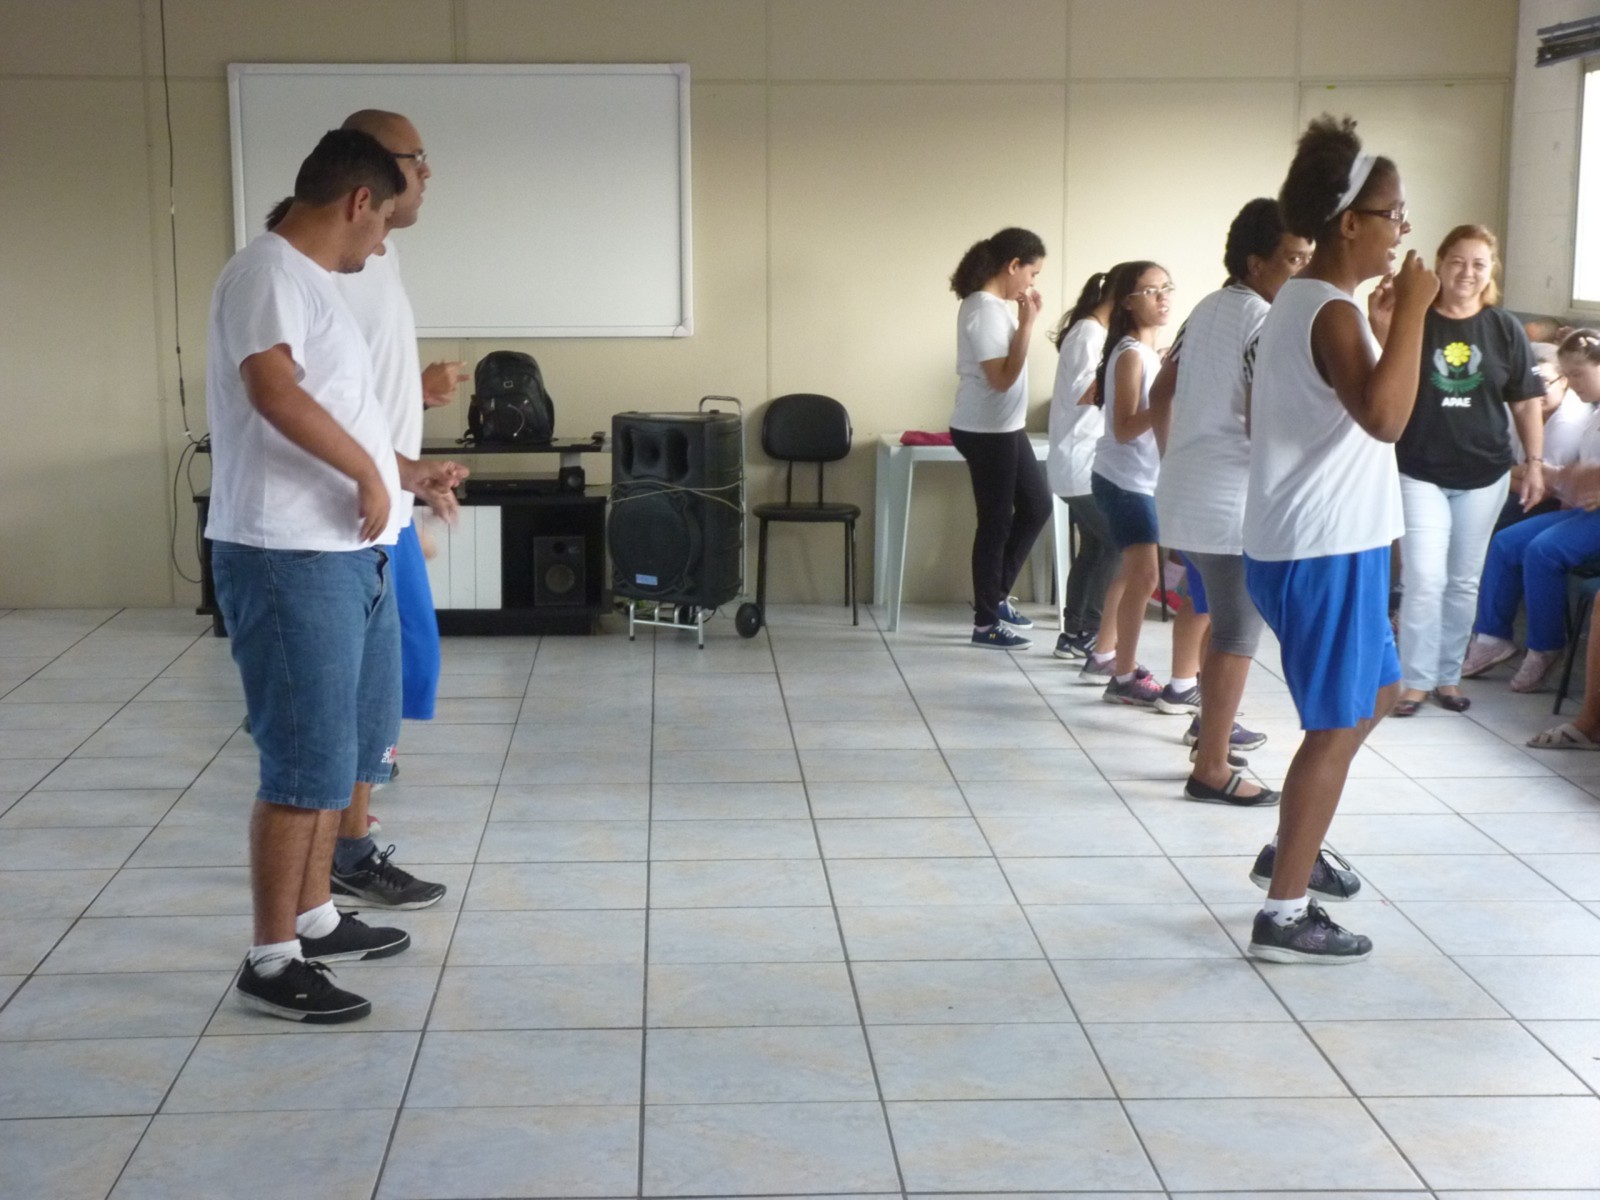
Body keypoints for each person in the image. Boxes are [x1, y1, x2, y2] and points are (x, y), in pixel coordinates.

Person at [207, 129, 465, 1022]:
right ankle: (271, 958)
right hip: (288, 554)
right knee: (304, 763)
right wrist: (365, 474)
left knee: (345, 751)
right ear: (358, 201)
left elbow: (343, 416)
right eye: (384, 220)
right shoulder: (267, 274)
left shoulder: (317, 285)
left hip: (351, 551)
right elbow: (272, 390)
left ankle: (315, 917)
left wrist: (403, 472)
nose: (384, 242)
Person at [1242, 114, 1437, 963]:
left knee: (1380, 694)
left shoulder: (1312, 303)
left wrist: (1389, 325)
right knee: (1333, 726)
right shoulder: (1329, 312)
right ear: (1349, 221)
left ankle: (1294, 842)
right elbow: (1386, 418)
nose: (1403, 229)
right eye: (1394, 214)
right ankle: (1285, 913)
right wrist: (1416, 315)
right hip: (1322, 550)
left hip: (1321, 543)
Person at [326, 108, 468, 909]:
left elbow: (363, 387)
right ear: (372, 171)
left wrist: (414, 460)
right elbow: (316, 397)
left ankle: (348, 832)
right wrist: (395, 473)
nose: (427, 172)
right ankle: (342, 839)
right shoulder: (333, 267)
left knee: (394, 675)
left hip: (386, 499)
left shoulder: (382, 256)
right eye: (417, 158)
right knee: (377, 678)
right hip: (351, 510)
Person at [1149, 197, 1312, 805]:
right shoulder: (1266, 321)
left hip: (1187, 492)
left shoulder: (1205, 308)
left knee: (1220, 621)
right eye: (1292, 259)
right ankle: (1212, 768)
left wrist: (1178, 457)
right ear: (1254, 262)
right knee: (1237, 633)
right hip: (1228, 503)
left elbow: (1161, 391)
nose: (1302, 271)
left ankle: (1209, 739)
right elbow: (1262, 418)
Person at [1389, 225, 1547, 716]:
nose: (1467, 272)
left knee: (1462, 581)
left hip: (1485, 473)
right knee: (1424, 577)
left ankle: (1447, 677)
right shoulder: (1414, 319)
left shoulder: (1503, 328)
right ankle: (1414, 682)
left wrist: (1534, 464)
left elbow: (1526, 402)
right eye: (1457, 261)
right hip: (1419, 469)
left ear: (1490, 271)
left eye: (1478, 264)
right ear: (1440, 263)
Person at [1078, 261, 1207, 708]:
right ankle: (1124, 675)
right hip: (1123, 481)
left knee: (1133, 574)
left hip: (1139, 480)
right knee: (1146, 575)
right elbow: (1124, 427)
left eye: (1166, 288)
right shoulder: (1131, 354)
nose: (1163, 297)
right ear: (1128, 303)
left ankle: (1104, 655)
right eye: (1151, 291)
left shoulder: (1150, 354)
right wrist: (1170, 396)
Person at [1462, 329, 1600, 691]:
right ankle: (1492, 638)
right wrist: (1565, 478)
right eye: (1568, 375)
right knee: (1506, 542)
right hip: (1585, 510)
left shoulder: (1576, 417)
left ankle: (1545, 646)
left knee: (1543, 550)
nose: (1573, 383)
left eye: (1579, 374)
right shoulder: (1594, 413)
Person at [948, 228, 1052, 649]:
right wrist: (1027, 324)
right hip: (984, 431)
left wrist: (1023, 322)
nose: (1032, 283)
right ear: (1013, 266)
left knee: (1037, 506)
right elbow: (1002, 379)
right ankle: (985, 623)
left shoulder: (993, 307)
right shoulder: (984, 310)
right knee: (995, 523)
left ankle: (994, 597)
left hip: (1004, 428)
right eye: (1032, 273)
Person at [1046, 269, 1121, 660]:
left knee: (1094, 546)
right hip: (1080, 462)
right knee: (1118, 543)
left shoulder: (1095, 332)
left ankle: (1074, 633)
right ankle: (1090, 631)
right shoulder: (1089, 334)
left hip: (1084, 462)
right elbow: (1085, 393)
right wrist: (1133, 373)